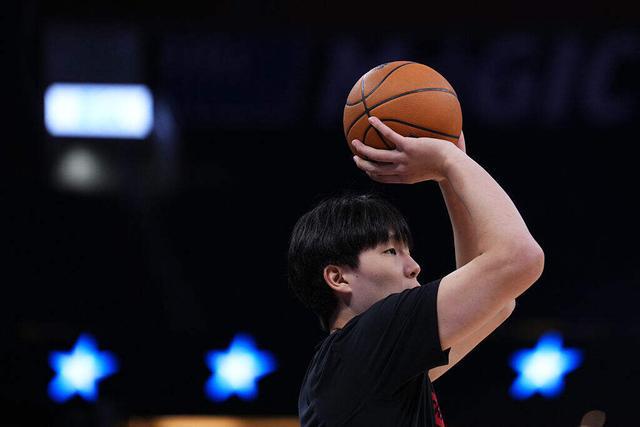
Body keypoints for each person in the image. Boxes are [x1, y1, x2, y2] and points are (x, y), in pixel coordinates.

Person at [287, 116, 545, 426]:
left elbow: (496, 302)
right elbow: (520, 258)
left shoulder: (363, 365)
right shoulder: (367, 344)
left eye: (409, 252)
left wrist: (449, 177)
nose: (414, 267)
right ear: (338, 278)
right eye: (391, 252)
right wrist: (448, 160)